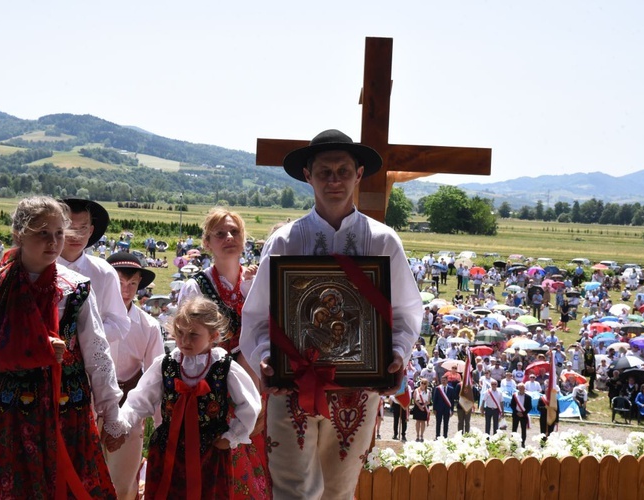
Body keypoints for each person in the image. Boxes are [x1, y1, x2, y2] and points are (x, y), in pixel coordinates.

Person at [239, 129, 422, 499]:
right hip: (293, 383)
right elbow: (257, 316)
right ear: (308, 175)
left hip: (358, 388)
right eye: (324, 171)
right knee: (291, 488)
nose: (334, 180)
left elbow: (405, 311)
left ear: (358, 174)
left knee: (338, 490)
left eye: (343, 170)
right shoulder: (285, 241)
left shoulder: (384, 241)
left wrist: (396, 353)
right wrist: (265, 357)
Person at [0, 196, 128, 498]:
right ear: (19, 235)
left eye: (58, 234)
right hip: (7, 411)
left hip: (65, 409)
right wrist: (34, 346)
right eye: (42, 233)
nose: (53, 242)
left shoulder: (75, 288)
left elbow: (97, 354)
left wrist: (111, 413)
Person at [109, 296, 261, 498]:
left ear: (213, 335)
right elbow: (139, 400)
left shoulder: (224, 367)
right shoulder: (166, 364)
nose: (184, 340)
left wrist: (232, 436)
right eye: (179, 333)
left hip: (209, 450)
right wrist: (121, 426)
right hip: (169, 447)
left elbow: (249, 404)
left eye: (193, 335)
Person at [177, 207, 270, 498]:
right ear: (207, 242)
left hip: (263, 385)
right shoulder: (197, 286)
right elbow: (187, 342)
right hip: (216, 389)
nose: (229, 237)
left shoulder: (259, 282)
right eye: (220, 233)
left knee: (269, 461)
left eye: (235, 232)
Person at [103, 252, 166, 499]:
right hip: (87, 405)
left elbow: (157, 375)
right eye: (119, 283)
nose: (126, 291)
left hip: (128, 408)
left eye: (132, 283)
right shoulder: (89, 317)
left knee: (123, 483)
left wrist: (162, 426)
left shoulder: (148, 325)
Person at [58, 198, 130, 348]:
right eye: (69, 227)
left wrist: (87, 333)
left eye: (82, 228)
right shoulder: (40, 267)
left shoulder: (104, 273)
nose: (76, 235)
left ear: (90, 231)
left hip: (89, 361)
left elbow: (120, 323)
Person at [432, 374, 454, 439]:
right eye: (442, 380)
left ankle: (445, 436)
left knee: (446, 423)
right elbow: (434, 399)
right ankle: (437, 435)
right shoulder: (438, 388)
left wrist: (452, 410)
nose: (443, 381)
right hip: (439, 409)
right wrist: (434, 409)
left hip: (447, 409)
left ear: (447, 380)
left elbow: (452, 401)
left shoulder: (451, 389)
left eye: (444, 380)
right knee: (438, 423)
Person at [510, 383, 533, 447]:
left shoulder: (528, 397)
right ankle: (513, 442)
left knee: (523, 430)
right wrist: (517, 412)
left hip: (524, 415)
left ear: (524, 388)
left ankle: (523, 443)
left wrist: (523, 413)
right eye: (519, 388)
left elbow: (529, 407)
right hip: (516, 414)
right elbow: (512, 405)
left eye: (522, 388)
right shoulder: (514, 396)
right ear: (518, 388)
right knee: (514, 429)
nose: (521, 389)